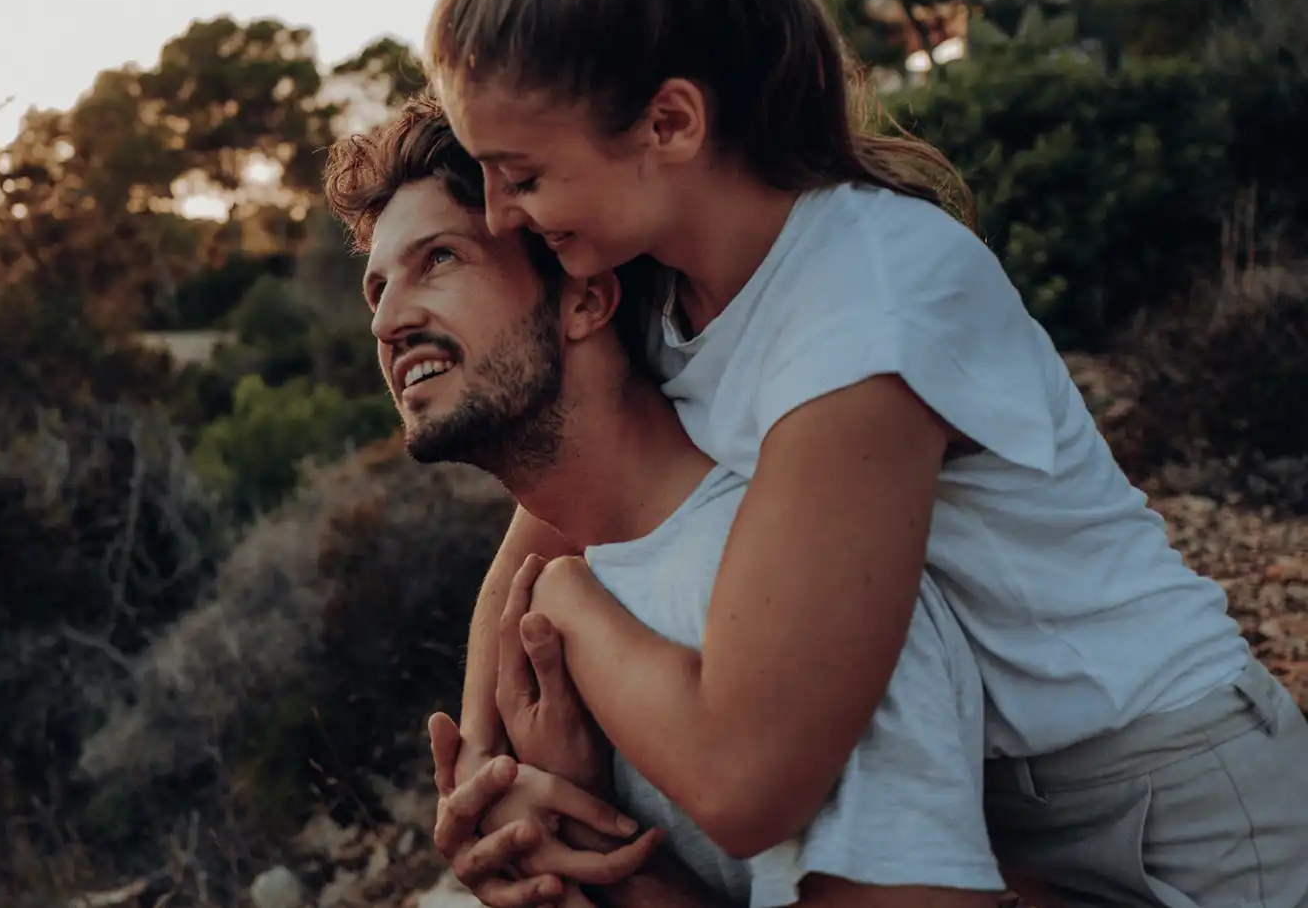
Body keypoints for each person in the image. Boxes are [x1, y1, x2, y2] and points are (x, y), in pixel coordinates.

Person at [423, 0, 1308, 907]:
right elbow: (546, 530)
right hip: (993, 816)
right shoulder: (659, 291)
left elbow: (747, 779)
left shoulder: (868, 296)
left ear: (670, 123)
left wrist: (569, 602)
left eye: (521, 173)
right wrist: (486, 774)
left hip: (1179, 813)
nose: (499, 214)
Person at [327, 96, 1006, 908]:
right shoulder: (567, 617)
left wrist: (601, 851)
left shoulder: (794, 589)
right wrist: (568, 854)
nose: (388, 321)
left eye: (439, 258)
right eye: (375, 289)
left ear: (586, 297)